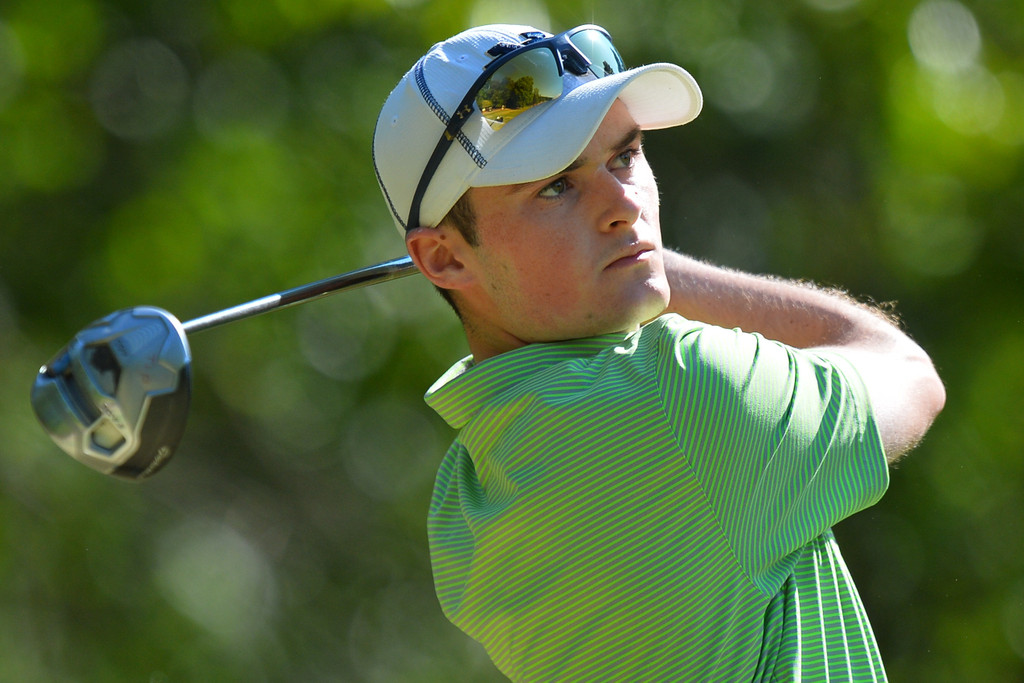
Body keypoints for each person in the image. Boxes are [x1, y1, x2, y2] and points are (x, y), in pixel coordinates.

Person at [372, 23, 945, 682]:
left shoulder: (465, 504)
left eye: (625, 154)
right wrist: (656, 267)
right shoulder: (677, 394)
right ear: (442, 256)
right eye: (555, 186)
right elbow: (904, 367)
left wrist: (627, 261)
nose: (624, 206)